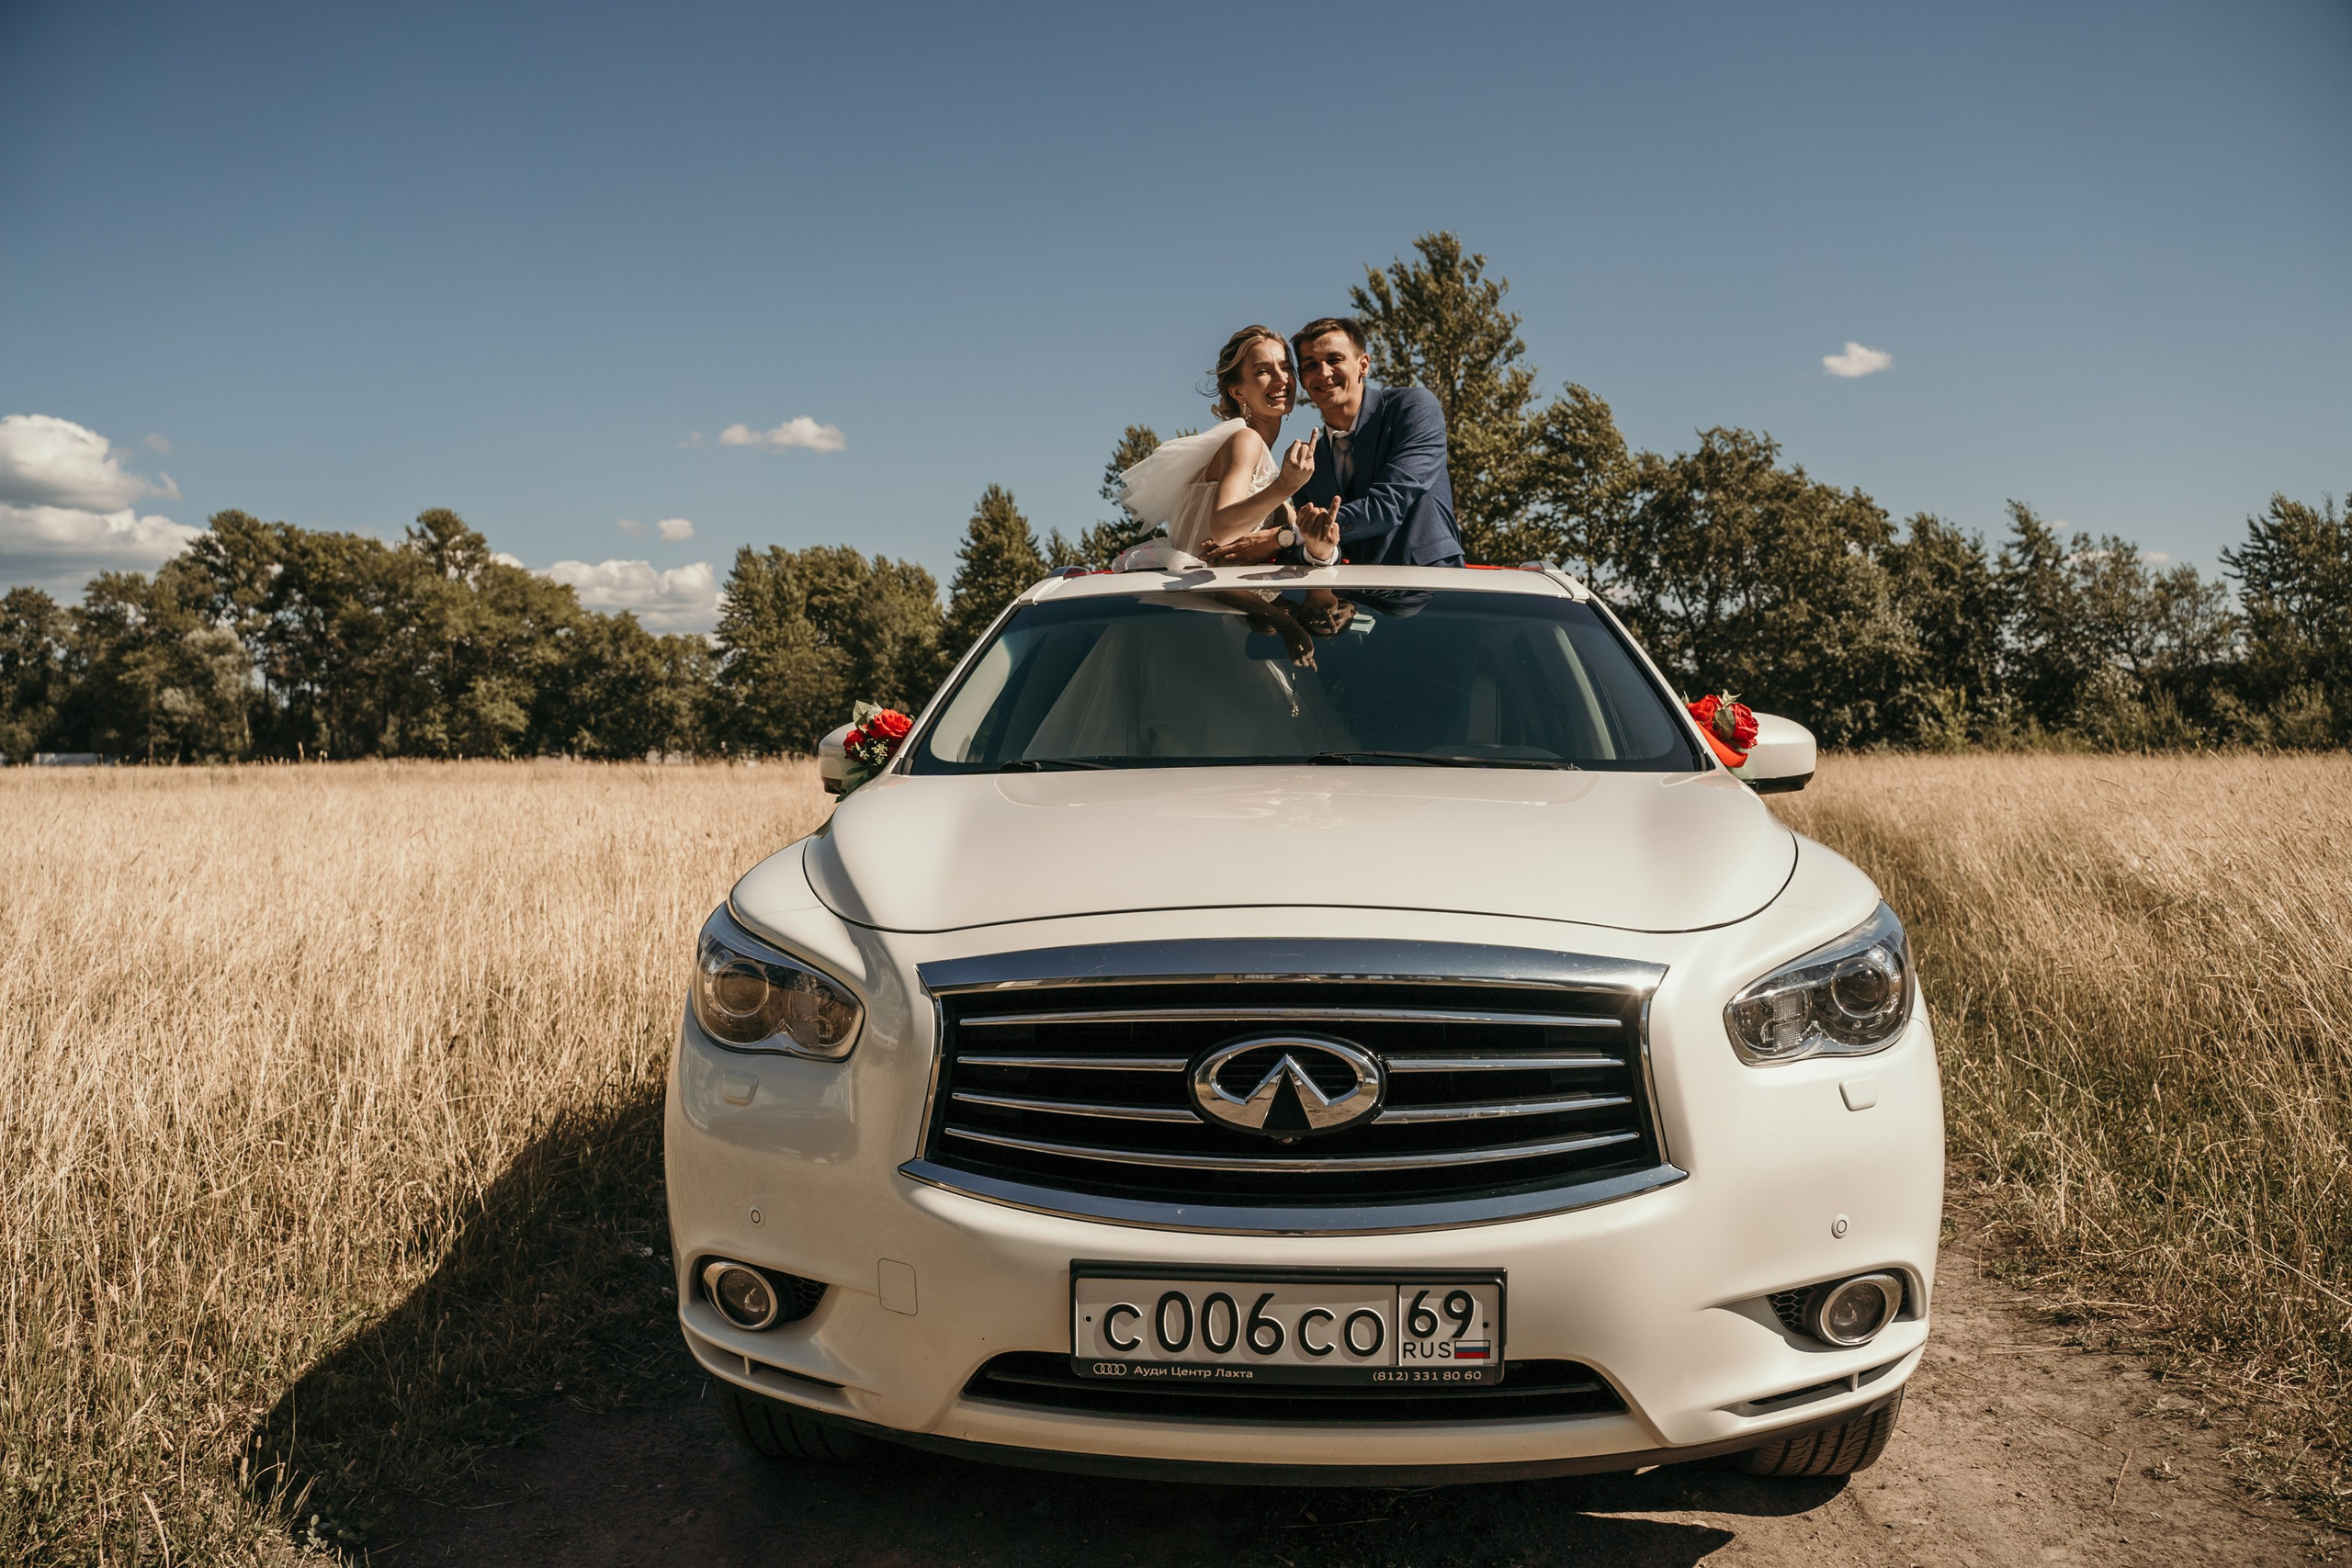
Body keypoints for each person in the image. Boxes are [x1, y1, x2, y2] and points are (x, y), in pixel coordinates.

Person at [1202, 316, 1463, 570]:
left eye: (1335, 359)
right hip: (1354, 604)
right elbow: (1323, 550)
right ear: (1302, 380)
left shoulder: (1412, 408)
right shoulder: (1308, 465)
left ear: (1363, 365)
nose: (1324, 373)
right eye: (1311, 365)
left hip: (1432, 591)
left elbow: (1389, 505)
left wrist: (1282, 537)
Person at [1111, 326, 1334, 561]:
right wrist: (1285, 486)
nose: (1281, 378)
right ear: (1237, 391)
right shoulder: (1246, 440)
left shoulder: (1258, 456)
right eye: (1262, 371)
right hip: (1203, 594)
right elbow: (1223, 528)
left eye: (1286, 367)